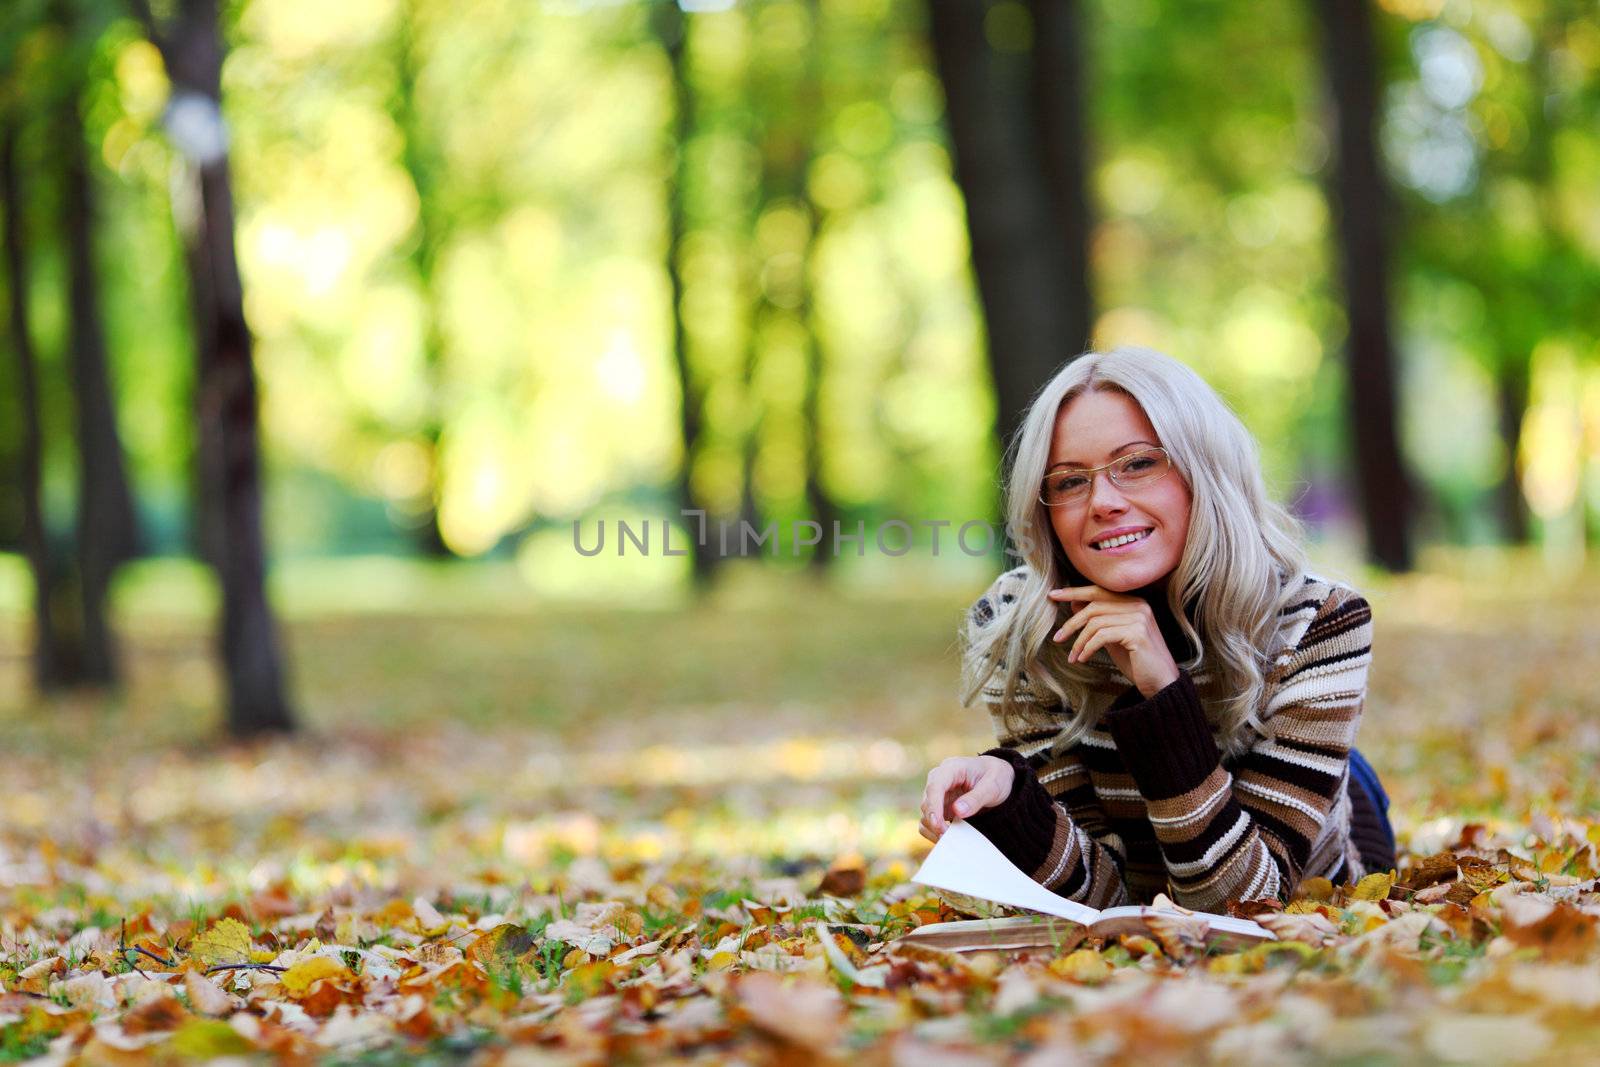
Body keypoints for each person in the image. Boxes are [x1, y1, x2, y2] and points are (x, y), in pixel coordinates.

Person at [918, 346, 1396, 911]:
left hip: (1317, 843)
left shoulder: (1319, 620)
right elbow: (1104, 900)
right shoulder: (1016, 623)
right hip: (1165, 852)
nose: (1104, 502)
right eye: (1069, 481)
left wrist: (1162, 691)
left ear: (1204, 471)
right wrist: (1010, 801)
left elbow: (1244, 904)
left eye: (1139, 463)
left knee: (1344, 790)